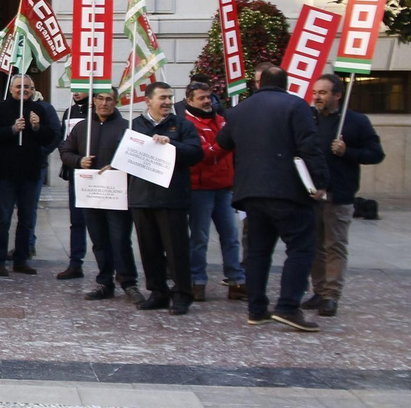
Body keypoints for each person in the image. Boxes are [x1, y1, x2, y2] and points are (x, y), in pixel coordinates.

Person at [217, 64, 328, 331]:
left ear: (259, 83)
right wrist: (321, 182)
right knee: (301, 248)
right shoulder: (296, 106)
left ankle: (256, 309)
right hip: (288, 191)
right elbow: (309, 146)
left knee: (257, 252)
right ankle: (288, 307)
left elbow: (223, 142)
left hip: (250, 192)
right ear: (285, 84)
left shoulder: (239, 110)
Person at [307, 73, 385, 318]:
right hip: (310, 194)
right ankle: (318, 290)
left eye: (323, 93)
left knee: (335, 246)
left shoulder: (355, 121)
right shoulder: (309, 119)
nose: (317, 97)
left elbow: (376, 153)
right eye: (315, 92)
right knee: (313, 246)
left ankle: (331, 295)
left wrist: (347, 151)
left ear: (337, 95)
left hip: (339, 193)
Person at [127, 81, 203, 315]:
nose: (168, 102)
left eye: (170, 97)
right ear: (148, 101)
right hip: (142, 198)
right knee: (149, 250)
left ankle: (182, 294)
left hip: (172, 199)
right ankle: (157, 292)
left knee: (176, 250)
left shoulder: (182, 125)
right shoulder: (135, 125)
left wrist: (172, 145)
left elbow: (195, 153)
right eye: (163, 98)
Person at [59, 90, 142, 303]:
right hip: (91, 193)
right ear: (93, 101)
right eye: (100, 98)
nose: (104, 103)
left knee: (120, 239)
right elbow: (65, 151)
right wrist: (79, 161)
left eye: (108, 99)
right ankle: (105, 281)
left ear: (116, 102)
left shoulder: (126, 127)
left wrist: (117, 165)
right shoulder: (82, 127)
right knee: (99, 240)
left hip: (116, 193)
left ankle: (128, 282)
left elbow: (136, 157)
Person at [183, 80, 247, 303]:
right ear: (189, 100)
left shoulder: (221, 121)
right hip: (200, 189)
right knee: (199, 238)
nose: (207, 101)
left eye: (208, 96)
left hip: (224, 187)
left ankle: (236, 280)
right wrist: (226, 142)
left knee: (231, 237)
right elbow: (205, 155)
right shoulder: (188, 125)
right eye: (201, 97)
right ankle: (197, 280)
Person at [0, 74, 56, 275]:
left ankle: (21, 259)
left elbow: (50, 137)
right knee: (4, 218)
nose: (23, 90)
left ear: (33, 90)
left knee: (26, 219)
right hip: (6, 172)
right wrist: (12, 129)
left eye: (27, 87)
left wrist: (37, 127)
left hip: (30, 172)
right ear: (11, 89)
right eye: (19, 86)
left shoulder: (40, 109)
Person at [55, 89, 90, 280]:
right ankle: (76, 262)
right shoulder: (69, 112)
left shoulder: (96, 111)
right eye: (73, 89)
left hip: (99, 175)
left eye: (80, 89)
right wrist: (73, 160)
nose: (76, 92)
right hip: (76, 173)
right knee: (76, 221)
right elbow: (63, 141)